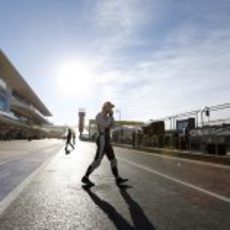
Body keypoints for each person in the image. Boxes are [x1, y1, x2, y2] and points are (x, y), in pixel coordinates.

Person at [81, 101, 128, 186]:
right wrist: (110, 118)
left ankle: (117, 178)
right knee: (97, 161)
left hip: (107, 139)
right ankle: (85, 177)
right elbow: (106, 125)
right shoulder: (99, 116)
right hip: (102, 138)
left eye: (111, 108)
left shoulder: (108, 116)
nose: (111, 109)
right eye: (110, 107)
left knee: (113, 159)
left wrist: (111, 117)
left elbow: (112, 126)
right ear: (105, 107)